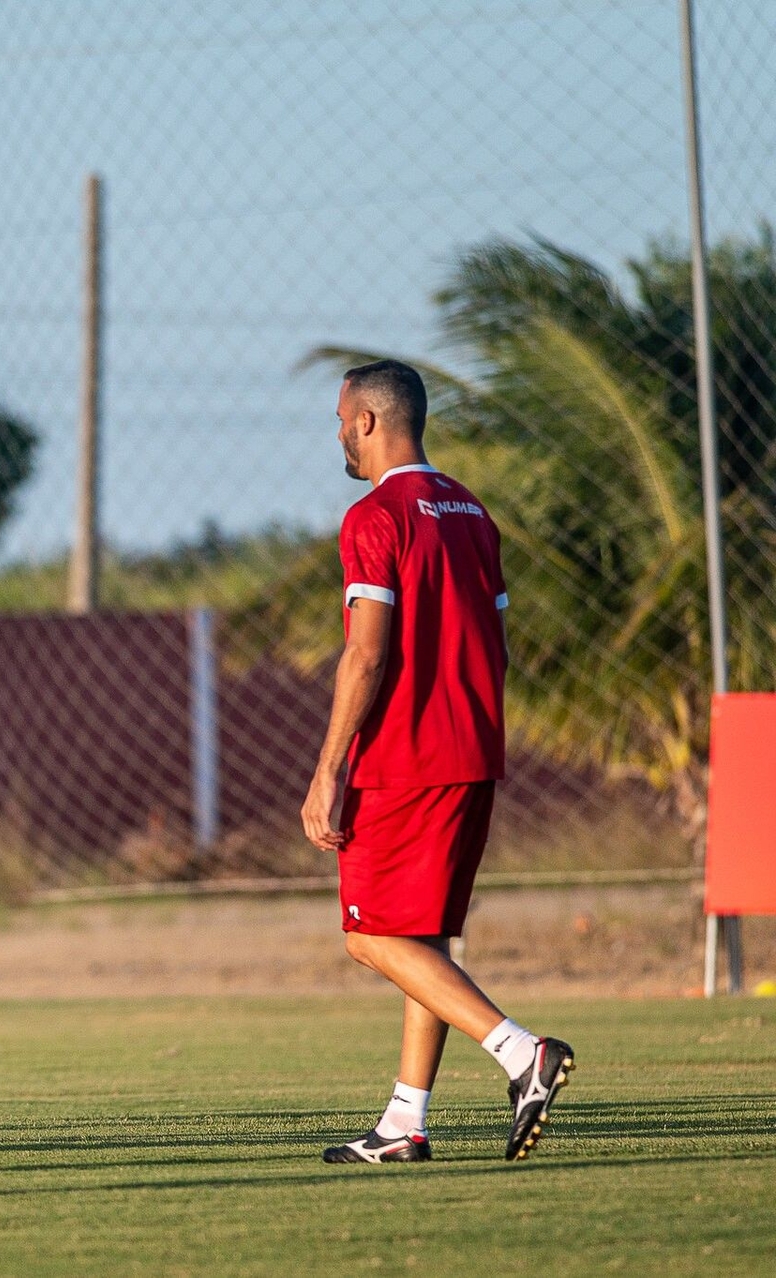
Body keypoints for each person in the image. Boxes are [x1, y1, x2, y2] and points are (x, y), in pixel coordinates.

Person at [301, 360, 573, 1164]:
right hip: (472, 751)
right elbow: (497, 642)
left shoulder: (375, 516)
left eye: (343, 419)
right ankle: (403, 1124)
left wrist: (328, 768)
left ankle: (523, 1054)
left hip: (406, 758)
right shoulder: (471, 512)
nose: (340, 432)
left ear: (372, 422)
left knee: (370, 935)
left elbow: (365, 657)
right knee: (425, 936)